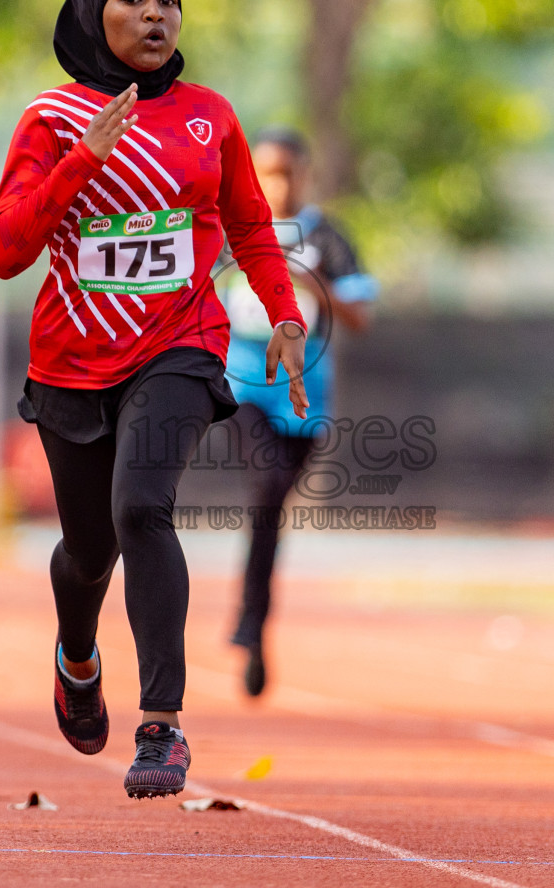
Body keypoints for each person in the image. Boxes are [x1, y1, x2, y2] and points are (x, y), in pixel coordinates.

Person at [0, 0, 309, 798]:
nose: (156, 14)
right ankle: (77, 655)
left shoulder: (210, 116)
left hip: (179, 343)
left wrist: (282, 314)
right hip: (70, 361)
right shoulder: (52, 120)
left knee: (142, 508)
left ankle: (161, 725)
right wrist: (84, 157)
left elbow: (250, 226)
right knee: (88, 547)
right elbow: (5, 251)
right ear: (98, 12)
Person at [215, 129, 377, 697]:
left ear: (304, 175)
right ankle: (250, 621)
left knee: (272, 505)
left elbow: (360, 316)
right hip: (243, 383)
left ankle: (253, 624)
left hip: (306, 390)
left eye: (286, 172)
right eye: (265, 172)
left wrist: (312, 281)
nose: (276, 184)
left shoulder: (327, 236)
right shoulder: (228, 226)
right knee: (268, 484)